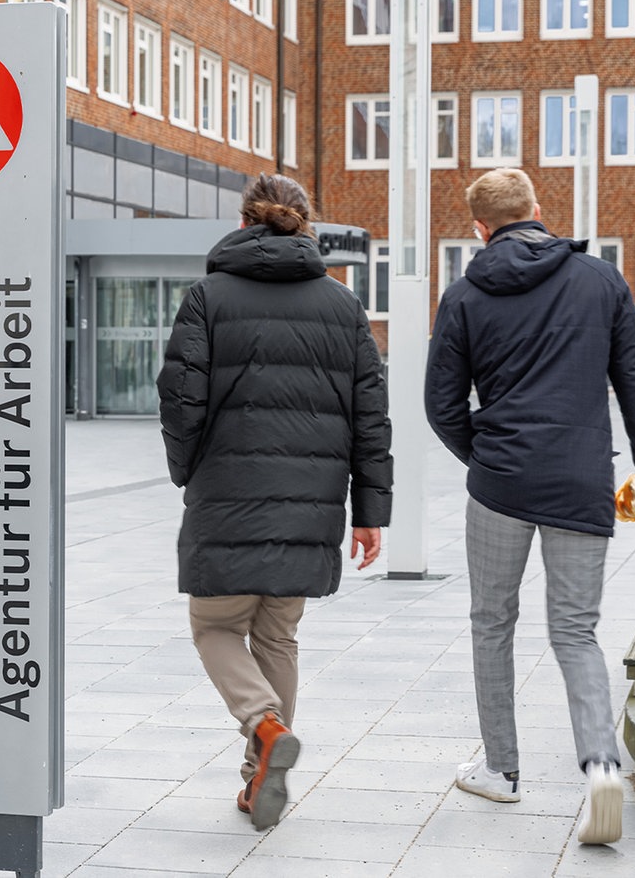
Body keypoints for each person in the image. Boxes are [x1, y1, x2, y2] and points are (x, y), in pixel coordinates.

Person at [424, 168, 635, 846]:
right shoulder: (600, 280)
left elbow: (441, 405)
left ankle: (501, 771)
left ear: (479, 227)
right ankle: (599, 767)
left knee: (490, 623)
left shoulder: (464, 295)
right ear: (538, 210)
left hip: (500, 483)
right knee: (574, 630)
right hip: (580, 479)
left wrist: (486, 455)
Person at [157, 173, 393, 830]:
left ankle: (262, 727)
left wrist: (189, 472)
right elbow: (371, 417)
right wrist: (371, 512)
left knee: (214, 627)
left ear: (245, 222)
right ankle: (256, 772)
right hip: (311, 502)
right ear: (304, 223)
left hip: (226, 494)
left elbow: (181, 402)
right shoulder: (343, 307)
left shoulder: (208, 298)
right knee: (278, 635)